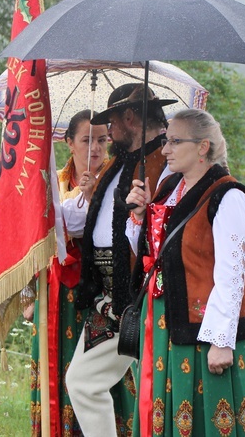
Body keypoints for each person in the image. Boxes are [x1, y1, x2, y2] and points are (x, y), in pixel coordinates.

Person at [125, 108, 245, 436]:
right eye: (166, 140)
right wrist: (140, 214)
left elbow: (232, 274)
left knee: (206, 415)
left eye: (174, 141)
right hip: (164, 321)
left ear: (203, 148)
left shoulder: (228, 197)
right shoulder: (170, 187)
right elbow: (149, 250)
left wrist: (221, 342)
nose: (165, 149)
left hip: (206, 328)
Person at [64, 83, 176, 436]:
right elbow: (92, 220)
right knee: (82, 381)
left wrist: (145, 212)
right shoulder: (118, 164)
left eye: (111, 123)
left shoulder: (167, 165)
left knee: (161, 394)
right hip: (112, 303)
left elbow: (172, 230)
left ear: (129, 117)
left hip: (149, 299)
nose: (107, 132)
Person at [28, 111, 109, 436]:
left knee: (89, 373)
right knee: (53, 363)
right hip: (52, 288)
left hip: (95, 290)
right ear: (69, 142)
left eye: (102, 140)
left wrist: (92, 197)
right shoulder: (51, 180)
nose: (95, 148)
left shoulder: (115, 178)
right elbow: (33, 238)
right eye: (87, 139)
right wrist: (28, 294)